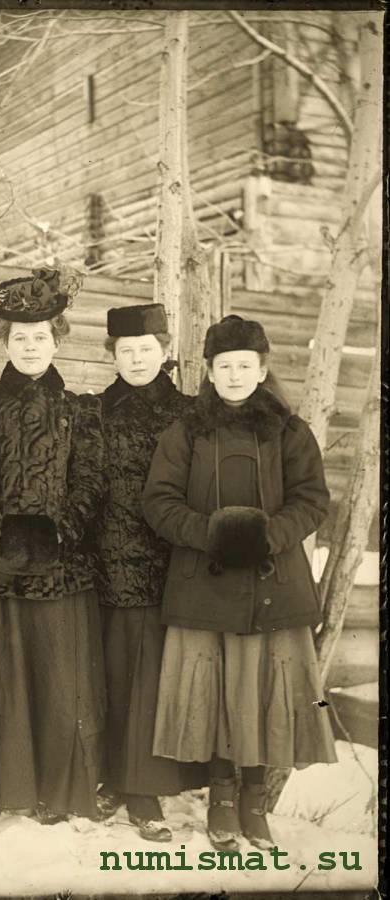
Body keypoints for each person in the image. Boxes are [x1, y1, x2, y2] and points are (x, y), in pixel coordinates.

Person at [142, 314, 337, 851]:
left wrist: (266, 536)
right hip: (204, 584)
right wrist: (213, 535)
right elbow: (158, 501)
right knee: (216, 694)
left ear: (262, 369)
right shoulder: (186, 432)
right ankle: (222, 800)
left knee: (260, 693)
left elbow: (312, 499)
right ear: (209, 371)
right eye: (224, 366)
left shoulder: (290, 432)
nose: (234, 376)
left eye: (244, 366)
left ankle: (254, 803)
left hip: (272, 582)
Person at [0, 267, 105, 831]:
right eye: (20, 337)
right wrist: (1, 532)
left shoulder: (81, 410)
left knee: (56, 680)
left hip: (60, 567)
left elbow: (90, 482)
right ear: (4, 342)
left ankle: (54, 791)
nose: (31, 346)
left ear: (58, 341)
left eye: (41, 337)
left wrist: (59, 533)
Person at [95, 303, 207, 842]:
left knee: (156, 679)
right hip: (108, 561)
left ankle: (145, 787)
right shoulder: (94, 411)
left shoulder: (191, 413)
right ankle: (115, 779)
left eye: (147, 350)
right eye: (126, 351)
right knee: (115, 675)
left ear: (165, 352)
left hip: (175, 563)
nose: (137, 359)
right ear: (112, 356)